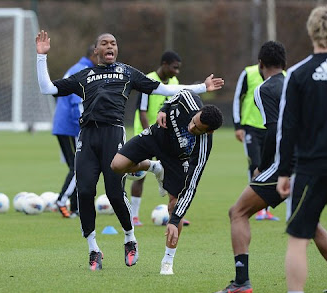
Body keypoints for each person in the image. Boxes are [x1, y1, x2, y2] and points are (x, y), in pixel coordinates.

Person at [35, 31, 224, 271]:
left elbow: (164, 90)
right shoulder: (83, 76)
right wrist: (41, 57)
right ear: (96, 52)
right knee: (84, 192)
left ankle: (129, 238)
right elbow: (47, 89)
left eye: (113, 43)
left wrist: (202, 87)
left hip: (113, 132)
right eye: (104, 43)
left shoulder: (127, 73)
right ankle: (93, 249)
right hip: (87, 136)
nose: (109, 46)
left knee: (115, 193)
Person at [213, 40, 327, 293]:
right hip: (313, 161)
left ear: (260, 64)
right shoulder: (299, 81)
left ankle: (241, 280)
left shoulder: (265, 89)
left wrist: (261, 167)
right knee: (307, 223)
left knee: (238, 212)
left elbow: (274, 131)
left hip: (284, 166)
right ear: (285, 64)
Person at [275, 5, 327, 293]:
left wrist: (284, 172)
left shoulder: (298, 74)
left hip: (309, 171)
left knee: (298, 240)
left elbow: (287, 128)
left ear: (311, 32)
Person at [111, 89, 223, 275]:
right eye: (194, 121)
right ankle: (155, 167)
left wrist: (176, 219)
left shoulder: (203, 147)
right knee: (117, 165)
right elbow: (180, 94)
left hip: (177, 161)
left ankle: (167, 261)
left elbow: (192, 185)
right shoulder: (190, 99)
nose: (191, 127)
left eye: (197, 129)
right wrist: (164, 108)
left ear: (209, 131)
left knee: (174, 205)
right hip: (157, 136)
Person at [130, 50, 188, 227]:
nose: (176, 72)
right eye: (174, 67)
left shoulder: (175, 82)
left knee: (175, 176)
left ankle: (176, 216)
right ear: (164, 64)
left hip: (167, 138)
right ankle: (134, 217)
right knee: (139, 176)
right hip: (146, 135)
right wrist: (150, 136)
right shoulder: (147, 80)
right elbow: (142, 111)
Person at [53, 44, 97, 219]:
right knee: (79, 166)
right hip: (71, 125)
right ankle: (62, 201)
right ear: (94, 55)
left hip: (63, 124)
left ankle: (75, 207)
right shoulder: (84, 71)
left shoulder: (77, 68)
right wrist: (82, 127)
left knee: (78, 165)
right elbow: (75, 102)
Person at [233, 63, 278, 221]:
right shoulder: (248, 73)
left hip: (272, 127)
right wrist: (238, 125)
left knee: (271, 165)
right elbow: (238, 97)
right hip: (251, 127)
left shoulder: (283, 76)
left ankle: (264, 209)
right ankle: (255, 207)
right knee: (256, 164)